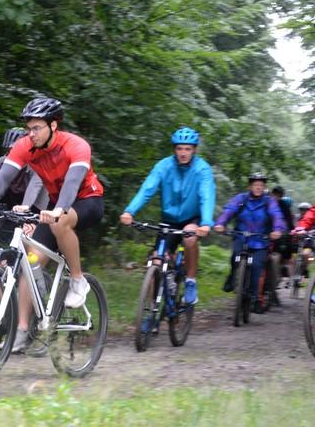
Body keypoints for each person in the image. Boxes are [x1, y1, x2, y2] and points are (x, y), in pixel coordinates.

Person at [0, 97, 104, 353]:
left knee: (60, 223)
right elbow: (3, 177)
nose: (30, 134)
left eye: (36, 128)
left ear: (53, 126)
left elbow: (72, 183)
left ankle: (78, 280)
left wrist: (58, 210)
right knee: (30, 263)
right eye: (28, 128)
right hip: (55, 205)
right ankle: (22, 331)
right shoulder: (25, 145)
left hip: (87, 200)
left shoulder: (76, 146)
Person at [120, 127, 216, 305]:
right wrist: (129, 211)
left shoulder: (202, 169)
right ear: (174, 149)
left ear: (194, 150)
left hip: (191, 219)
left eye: (187, 149)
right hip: (169, 220)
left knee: (189, 238)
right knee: (156, 261)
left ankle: (190, 281)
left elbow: (206, 195)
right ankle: (152, 309)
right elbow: (147, 189)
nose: (183, 153)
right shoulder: (164, 166)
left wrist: (206, 223)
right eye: (179, 148)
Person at [214, 173, 284, 312]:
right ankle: (232, 276)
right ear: (250, 186)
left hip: (260, 240)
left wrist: (277, 230)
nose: (258, 188)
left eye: (261, 185)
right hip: (241, 236)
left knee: (257, 266)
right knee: (235, 256)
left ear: (264, 187)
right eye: (255, 185)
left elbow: (277, 215)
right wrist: (220, 223)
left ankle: (255, 296)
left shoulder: (269, 201)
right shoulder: (241, 199)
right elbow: (229, 211)